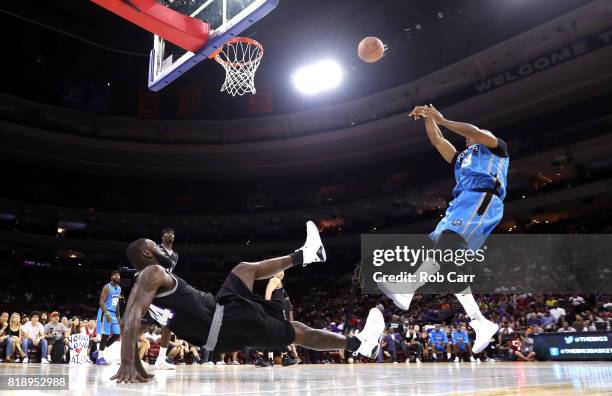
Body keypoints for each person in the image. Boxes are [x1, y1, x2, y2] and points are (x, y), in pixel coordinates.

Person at [111, 221, 384, 383]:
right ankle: (361, 344)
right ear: (147, 252)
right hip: (223, 323)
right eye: (157, 247)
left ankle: (307, 254)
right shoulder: (153, 273)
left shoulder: (139, 287)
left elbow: (132, 320)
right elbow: (132, 318)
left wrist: (135, 362)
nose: (162, 249)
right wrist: (127, 362)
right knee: (297, 332)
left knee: (244, 269)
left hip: (219, 314)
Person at [380, 104, 509, 354]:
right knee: (437, 255)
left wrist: (443, 118)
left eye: (470, 133)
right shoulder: (461, 159)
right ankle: (479, 321)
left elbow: (476, 132)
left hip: (481, 199)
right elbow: (438, 141)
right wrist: (429, 119)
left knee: (446, 251)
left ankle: (410, 290)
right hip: (459, 204)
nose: (468, 136)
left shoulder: (495, 148)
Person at [152, 228, 179, 370]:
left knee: (168, 324)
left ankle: (160, 360)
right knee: (143, 324)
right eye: (167, 233)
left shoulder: (175, 255)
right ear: (162, 237)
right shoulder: (156, 248)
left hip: (166, 291)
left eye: (173, 233)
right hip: (152, 289)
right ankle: (129, 356)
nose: (171, 235)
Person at [263, 271, 300, 367]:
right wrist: (268, 306)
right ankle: (285, 357)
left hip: (276, 309)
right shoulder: (275, 280)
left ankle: (271, 360)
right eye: (279, 271)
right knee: (281, 332)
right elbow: (268, 293)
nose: (282, 273)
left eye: (283, 271)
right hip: (276, 309)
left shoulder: (276, 281)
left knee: (273, 334)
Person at [95, 270, 122, 365]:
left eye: (119, 275)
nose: (118, 276)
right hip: (105, 311)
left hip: (114, 313)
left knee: (117, 334)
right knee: (105, 335)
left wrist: (118, 316)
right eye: (115, 275)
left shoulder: (119, 288)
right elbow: (101, 302)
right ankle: (100, 358)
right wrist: (106, 314)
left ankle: (99, 352)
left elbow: (117, 302)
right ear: (111, 277)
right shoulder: (107, 287)